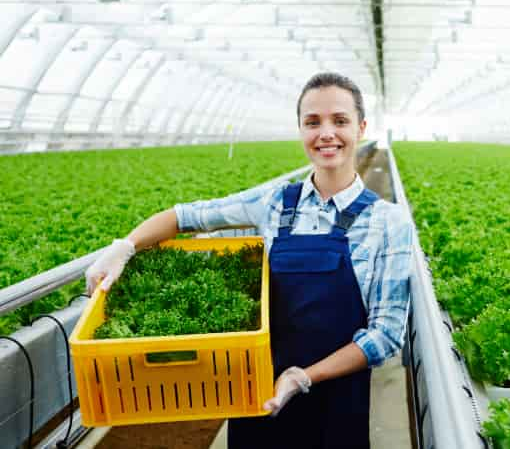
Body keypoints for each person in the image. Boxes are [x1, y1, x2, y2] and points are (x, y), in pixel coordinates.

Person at [84, 72, 413, 449]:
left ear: (361, 127)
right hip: (256, 396)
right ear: (301, 130)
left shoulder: (387, 221)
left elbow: (385, 335)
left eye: (340, 121)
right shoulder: (274, 202)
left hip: (335, 404)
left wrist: (303, 377)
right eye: (312, 122)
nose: (326, 133)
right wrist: (124, 247)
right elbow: (186, 215)